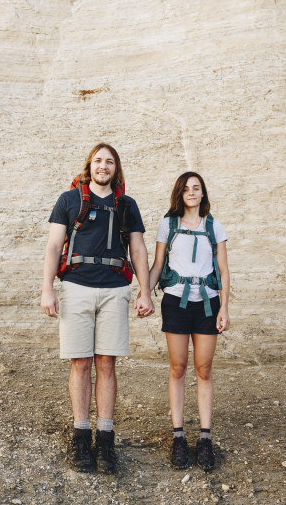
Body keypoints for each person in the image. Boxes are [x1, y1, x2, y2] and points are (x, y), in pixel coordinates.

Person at [41, 143, 155, 473]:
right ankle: (80, 436)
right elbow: (53, 245)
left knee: (106, 362)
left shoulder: (127, 205)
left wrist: (145, 292)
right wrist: (47, 289)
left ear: (116, 169)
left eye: (109, 162)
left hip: (115, 290)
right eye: (97, 161)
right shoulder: (69, 200)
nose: (102, 166)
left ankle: (105, 439)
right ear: (89, 166)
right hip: (76, 287)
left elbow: (139, 249)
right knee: (81, 363)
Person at [146, 171, 230, 471]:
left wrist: (224, 308)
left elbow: (223, 269)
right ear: (179, 194)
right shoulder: (167, 225)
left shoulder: (214, 227)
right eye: (186, 189)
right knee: (178, 367)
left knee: (204, 369)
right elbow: (157, 265)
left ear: (203, 194)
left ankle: (205, 439)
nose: (191, 193)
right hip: (176, 301)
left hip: (207, 303)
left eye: (197, 188)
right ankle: (179, 436)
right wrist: (144, 293)